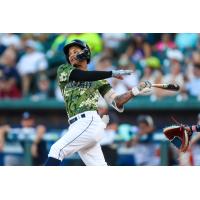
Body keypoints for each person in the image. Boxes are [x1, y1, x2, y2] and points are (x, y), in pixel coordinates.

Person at [45, 39, 152, 166]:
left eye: (75, 51)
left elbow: (117, 102)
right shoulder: (64, 70)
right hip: (76, 125)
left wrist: (135, 90)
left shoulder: (99, 80)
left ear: (85, 53)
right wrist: (111, 73)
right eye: (69, 54)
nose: (71, 55)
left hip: (88, 121)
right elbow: (82, 76)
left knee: (57, 150)